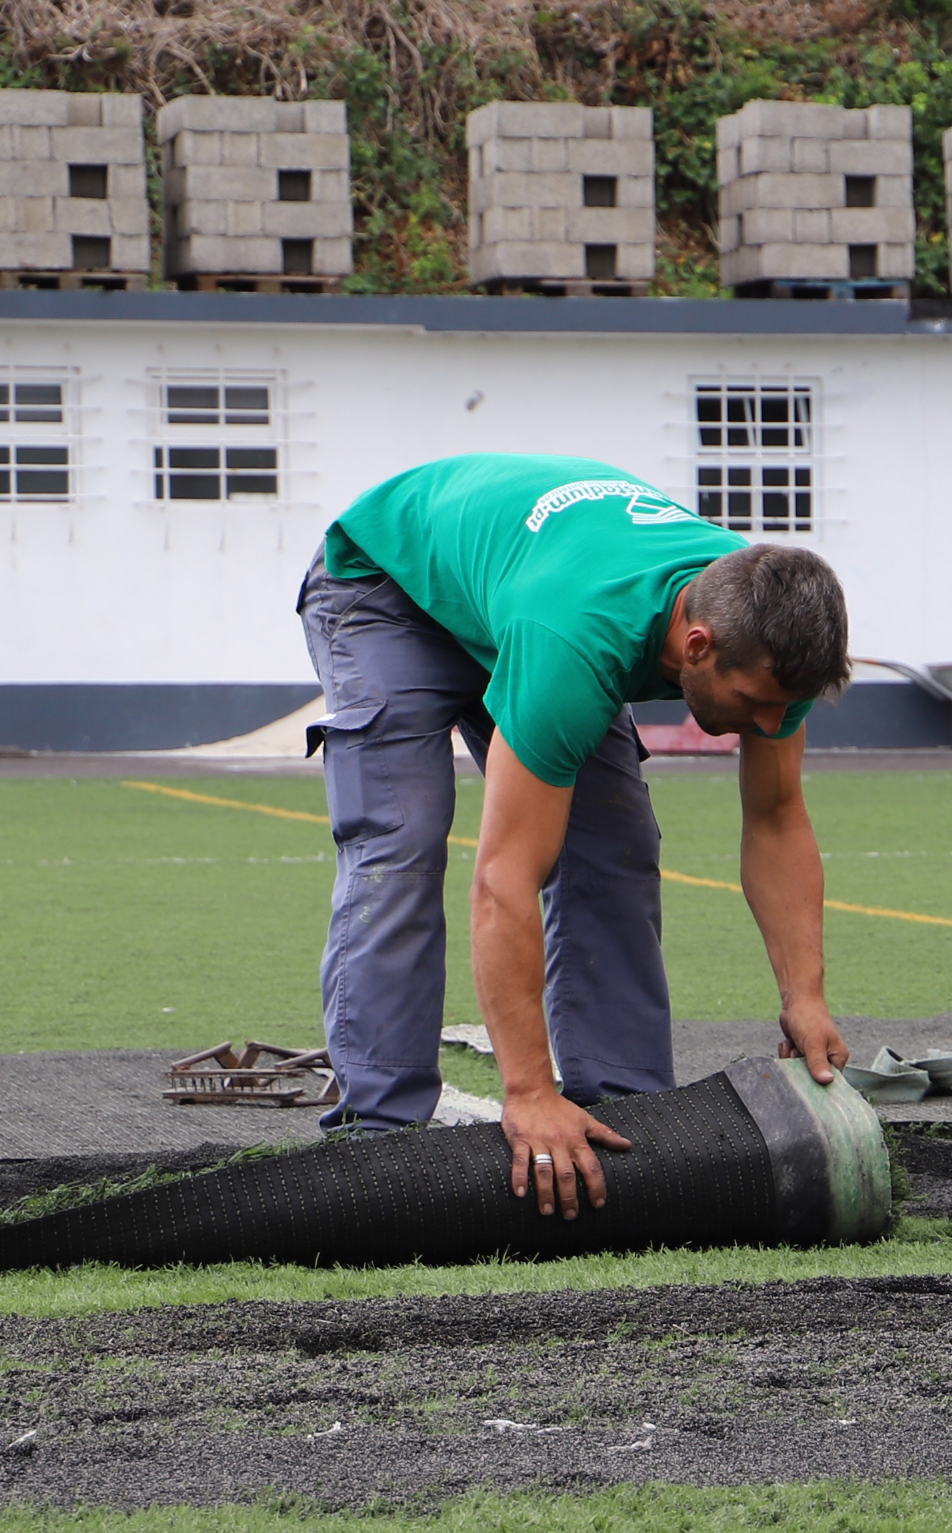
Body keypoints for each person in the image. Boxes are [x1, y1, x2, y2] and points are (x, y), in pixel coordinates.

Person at [300, 453, 854, 1216]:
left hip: (526, 580)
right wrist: (527, 1089)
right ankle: (379, 1138)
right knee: (401, 839)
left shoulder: (766, 629)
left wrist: (807, 997)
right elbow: (505, 878)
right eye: (755, 703)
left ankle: (632, 1117)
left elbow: (777, 817)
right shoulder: (577, 637)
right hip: (389, 583)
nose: (768, 724)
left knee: (615, 849)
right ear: (696, 647)